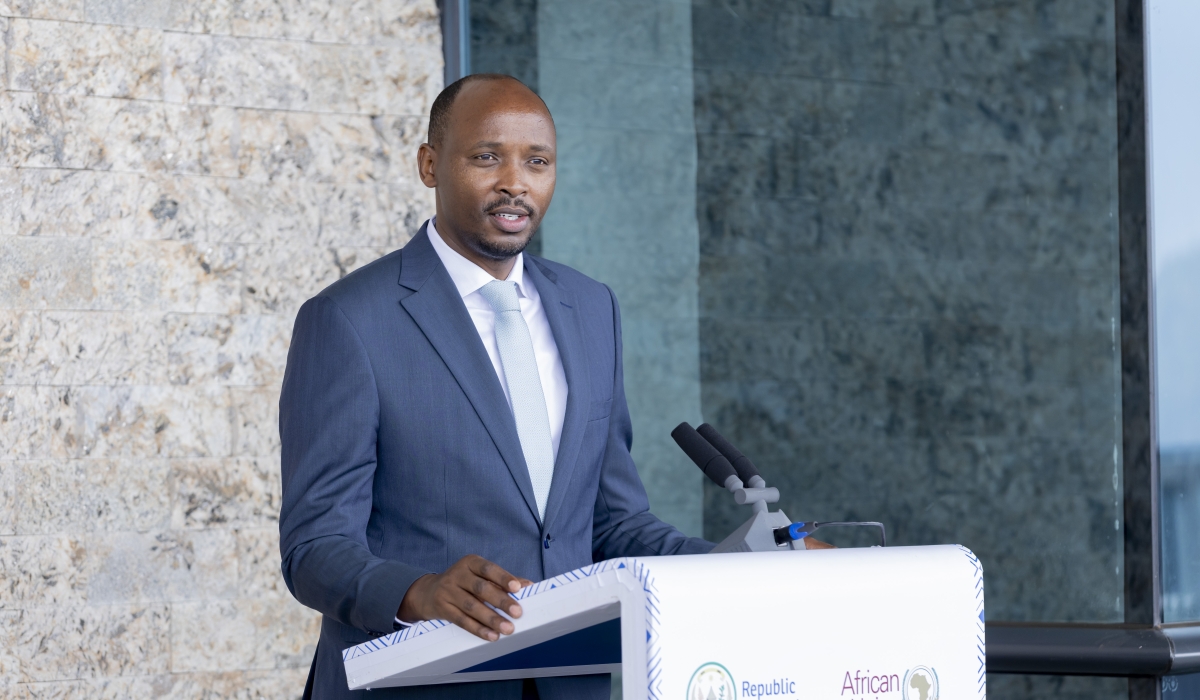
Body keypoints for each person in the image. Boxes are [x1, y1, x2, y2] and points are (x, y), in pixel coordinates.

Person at [278, 74, 715, 700]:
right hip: (419, 686)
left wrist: (741, 567)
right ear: (430, 165)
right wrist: (418, 591)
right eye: (487, 157)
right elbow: (315, 546)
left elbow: (614, 524)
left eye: (537, 161)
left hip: (573, 683)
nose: (516, 182)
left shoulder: (592, 308)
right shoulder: (348, 320)